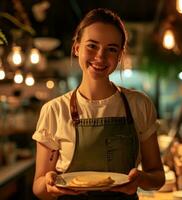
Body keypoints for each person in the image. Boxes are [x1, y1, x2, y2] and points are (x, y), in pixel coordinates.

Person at [32, 8, 165, 200]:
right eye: (92, 46)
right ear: (77, 48)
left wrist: (141, 179)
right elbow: (38, 187)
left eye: (111, 49)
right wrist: (49, 184)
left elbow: (157, 176)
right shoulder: (54, 110)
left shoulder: (139, 104)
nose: (100, 56)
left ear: (120, 55)